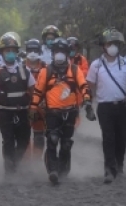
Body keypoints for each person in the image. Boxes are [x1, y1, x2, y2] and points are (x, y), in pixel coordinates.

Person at [30, 37, 95, 184]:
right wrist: (33, 108)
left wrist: (87, 101)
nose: (59, 54)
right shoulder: (46, 71)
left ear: (67, 54)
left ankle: (63, 171)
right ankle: (52, 171)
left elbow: (83, 86)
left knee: (66, 143)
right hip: (52, 113)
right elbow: (38, 91)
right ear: (53, 53)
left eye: (62, 52)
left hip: (70, 112)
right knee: (52, 140)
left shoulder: (74, 69)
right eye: (56, 52)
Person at [86, 28, 126, 184]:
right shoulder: (96, 65)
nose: (113, 46)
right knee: (109, 138)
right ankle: (109, 170)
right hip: (105, 107)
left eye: (115, 43)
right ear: (103, 46)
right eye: (110, 43)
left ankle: (119, 165)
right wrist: (91, 101)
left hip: (123, 106)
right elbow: (90, 85)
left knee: (121, 138)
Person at [0, 33, 35, 175]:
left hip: (23, 111)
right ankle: (9, 170)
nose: (10, 53)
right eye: (7, 51)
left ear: (17, 52)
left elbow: (33, 91)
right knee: (8, 141)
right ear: (2, 53)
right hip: (4, 112)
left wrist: (35, 107)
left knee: (24, 141)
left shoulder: (25, 70)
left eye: (13, 50)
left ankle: (16, 162)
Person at [23, 38, 46, 159]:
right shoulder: (20, 66)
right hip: (23, 105)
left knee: (39, 135)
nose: (32, 52)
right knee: (24, 135)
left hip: (40, 105)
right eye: (30, 50)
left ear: (39, 51)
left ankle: (37, 160)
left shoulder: (45, 67)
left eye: (35, 50)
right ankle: (26, 162)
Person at [67, 36, 90, 129]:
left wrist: (76, 73)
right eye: (71, 46)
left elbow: (86, 71)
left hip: (78, 87)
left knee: (76, 108)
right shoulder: (63, 57)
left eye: (74, 46)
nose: (73, 48)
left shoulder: (81, 59)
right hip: (65, 87)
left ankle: (74, 127)